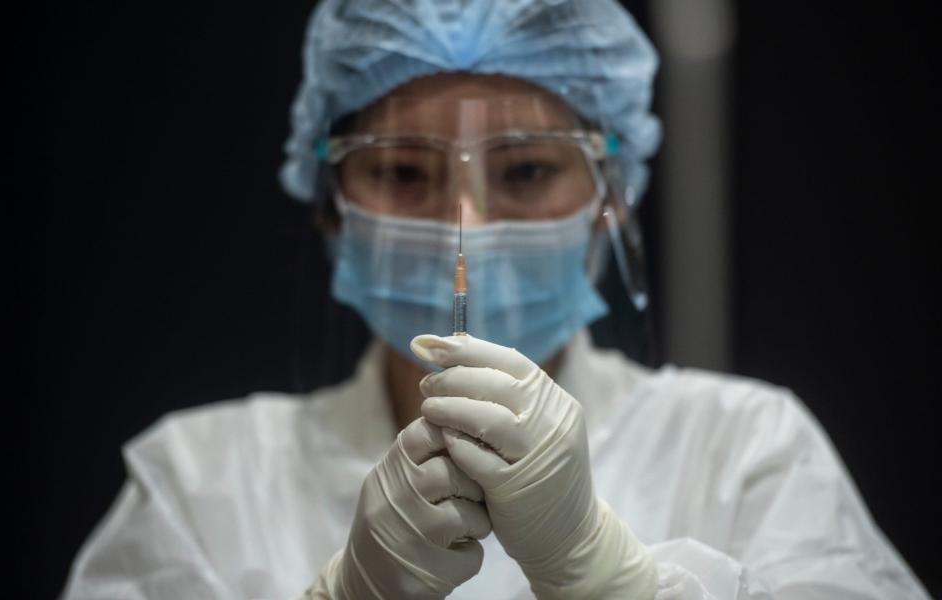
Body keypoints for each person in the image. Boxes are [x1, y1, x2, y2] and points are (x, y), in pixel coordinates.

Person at [62, 0, 930, 598]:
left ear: (610, 195)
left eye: (525, 170)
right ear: (332, 202)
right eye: (403, 171)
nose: (462, 230)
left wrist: (610, 578)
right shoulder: (201, 480)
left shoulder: (745, 452)